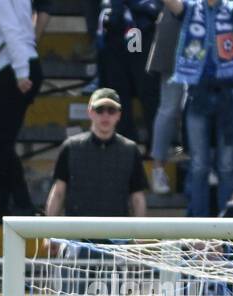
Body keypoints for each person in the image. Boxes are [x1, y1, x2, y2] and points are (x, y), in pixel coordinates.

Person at [165, 0, 233, 218]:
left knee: (226, 165)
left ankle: (227, 223)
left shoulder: (231, 8)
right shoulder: (190, 7)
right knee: (198, 165)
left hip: (228, 93)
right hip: (198, 92)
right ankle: (198, 224)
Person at [0, 0, 44, 217]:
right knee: (2, 141)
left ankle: (20, 202)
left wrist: (20, 71)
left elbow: (10, 29)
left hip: (14, 67)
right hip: (20, 63)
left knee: (1, 141)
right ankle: (2, 204)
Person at [44, 88, 148, 218]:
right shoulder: (70, 147)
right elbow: (58, 192)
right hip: (77, 235)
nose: (105, 115)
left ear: (118, 115)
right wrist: (48, 234)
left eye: (111, 110)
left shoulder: (130, 150)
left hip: (117, 235)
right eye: (99, 110)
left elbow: (137, 198)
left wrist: (140, 235)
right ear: (90, 112)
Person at [95, 0, 161, 146]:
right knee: (117, 90)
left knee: (146, 88)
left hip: (136, 30)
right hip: (112, 29)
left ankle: (155, 146)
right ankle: (126, 144)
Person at [146, 7, 187, 195]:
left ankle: (206, 162)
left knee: (206, 106)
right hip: (177, 29)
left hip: (212, 27)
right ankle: (158, 168)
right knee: (169, 107)